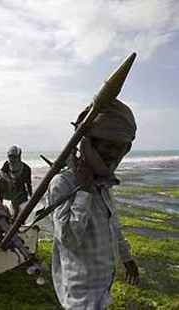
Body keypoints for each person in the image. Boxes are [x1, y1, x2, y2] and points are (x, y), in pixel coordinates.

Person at [47, 99, 139, 310]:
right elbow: (68, 239)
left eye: (121, 148)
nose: (115, 154)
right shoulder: (63, 184)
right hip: (80, 295)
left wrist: (127, 258)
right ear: (90, 142)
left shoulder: (104, 182)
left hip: (103, 289)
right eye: (109, 146)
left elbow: (112, 226)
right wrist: (85, 191)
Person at [0, 145, 33, 220]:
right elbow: (0, 173)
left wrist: (32, 198)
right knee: (1, 180)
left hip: (21, 193)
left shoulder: (26, 169)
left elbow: (29, 184)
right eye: (10, 158)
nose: (12, 160)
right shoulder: (7, 165)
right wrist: (8, 179)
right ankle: (1, 207)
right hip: (9, 192)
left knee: (20, 210)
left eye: (14, 158)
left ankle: (17, 219)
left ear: (19, 157)